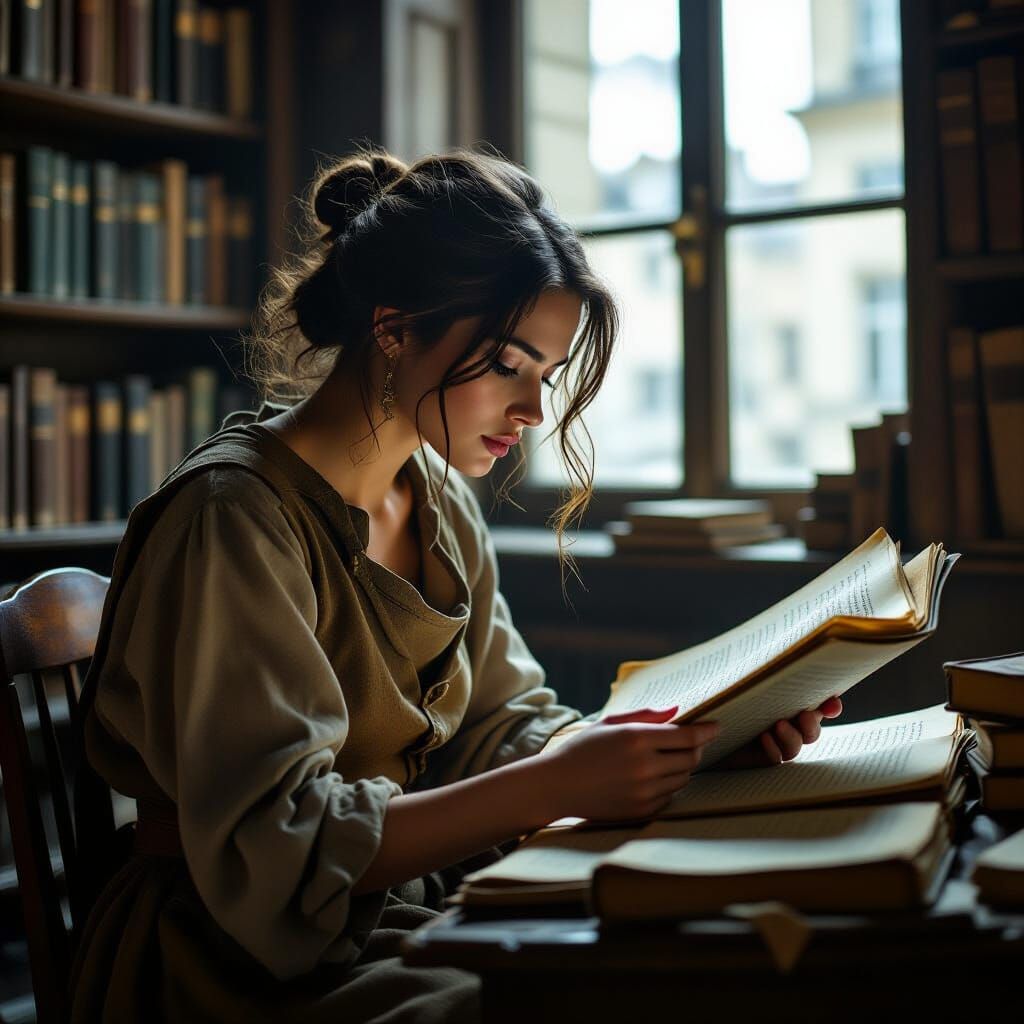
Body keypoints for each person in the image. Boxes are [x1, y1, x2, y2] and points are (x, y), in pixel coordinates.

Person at [70, 147, 842, 1023]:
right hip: (231, 961)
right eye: (510, 364)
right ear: (394, 330)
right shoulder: (234, 519)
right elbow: (278, 847)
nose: (534, 413)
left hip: (400, 909)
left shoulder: (436, 499)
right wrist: (555, 787)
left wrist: (694, 751)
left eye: (546, 377)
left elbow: (501, 728)